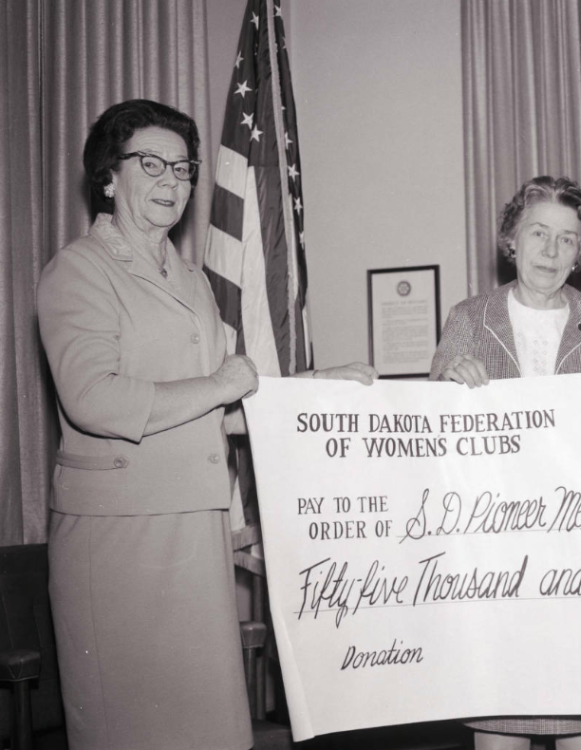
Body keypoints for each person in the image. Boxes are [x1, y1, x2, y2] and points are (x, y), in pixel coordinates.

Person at [36, 99, 375, 750]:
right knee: (131, 729)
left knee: (210, 729)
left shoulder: (188, 279)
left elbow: (223, 403)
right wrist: (224, 383)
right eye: (151, 164)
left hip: (195, 527)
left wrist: (313, 390)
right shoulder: (78, 270)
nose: (171, 181)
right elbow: (93, 400)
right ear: (108, 176)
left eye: (184, 169)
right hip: (121, 541)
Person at [430, 175, 581, 750]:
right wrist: (447, 387)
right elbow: (436, 446)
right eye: (538, 233)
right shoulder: (468, 318)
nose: (550, 250)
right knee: (500, 720)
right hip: (496, 562)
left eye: (567, 239)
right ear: (511, 241)